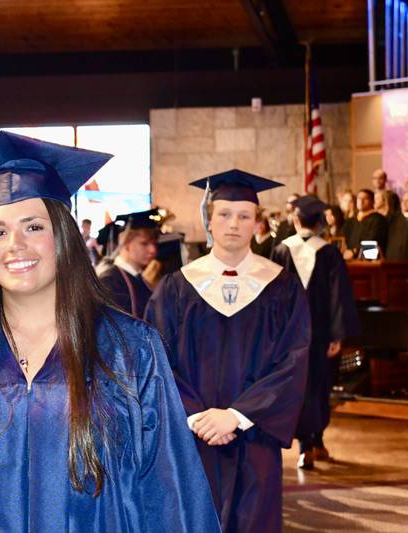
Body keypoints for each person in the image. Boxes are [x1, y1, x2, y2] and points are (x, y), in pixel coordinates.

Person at [0, 131, 220, 532]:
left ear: (62, 236)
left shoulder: (129, 349)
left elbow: (170, 493)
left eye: (33, 227)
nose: (15, 245)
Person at [144, 169, 311, 533]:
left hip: (254, 440)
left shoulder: (281, 287)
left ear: (257, 222)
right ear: (209, 219)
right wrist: (196, 417)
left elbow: (293, 362)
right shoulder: (176, 288)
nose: (233, 223)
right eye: (224, 214)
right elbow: (154, 362)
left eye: (244, 215)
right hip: (191, 441)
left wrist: (237, 415)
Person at [270, 196, 359, 469]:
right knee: (320, 386)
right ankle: (314, 442)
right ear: (320, 224)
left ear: (296, 221)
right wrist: (338, 335)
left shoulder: (280, 251)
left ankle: (307, 446)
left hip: (290, 334)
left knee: (298, 387)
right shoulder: (330, 253)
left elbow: (271, 298)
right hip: (321, 333)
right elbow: (339, 297)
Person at [97, 208, 159, 317]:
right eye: (144, 244)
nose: (153, 250)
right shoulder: (110, 282)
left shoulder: (140, 277)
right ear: (126, 244)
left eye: (154, 243)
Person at [344, 188, 388, 260]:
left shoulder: (378, 219)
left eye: (365, 199)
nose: (361, 201)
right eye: (359, 198)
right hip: (350, 259)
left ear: (372, 201)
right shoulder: (352, 220)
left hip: (369, 260)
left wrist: (354, 251)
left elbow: (373, 239)